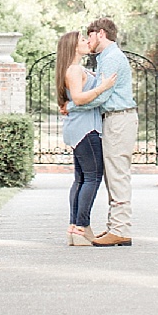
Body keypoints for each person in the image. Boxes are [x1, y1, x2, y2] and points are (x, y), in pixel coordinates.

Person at [56, 28, 116, 246]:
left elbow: (74, 100)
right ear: (73, 46)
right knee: (92, 177)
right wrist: (103, 87)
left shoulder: (75, 69)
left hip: (78, 127)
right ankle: (80, 228)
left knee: (81, 179)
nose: (85, 42)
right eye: (82, 39)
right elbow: (80, 99)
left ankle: (75, 228)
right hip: (85, 129)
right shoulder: (73, 70)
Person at [84, 17, 135, 246]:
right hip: (115, 119)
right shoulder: (107, 57)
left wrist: (74, 104)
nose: (88, 40)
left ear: (101, 34)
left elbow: (102, 95)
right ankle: (115, 226)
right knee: (112, 174)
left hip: (119, 119)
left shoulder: (112, 58)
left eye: (90, 35)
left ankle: (121, 230)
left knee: (117, 174)